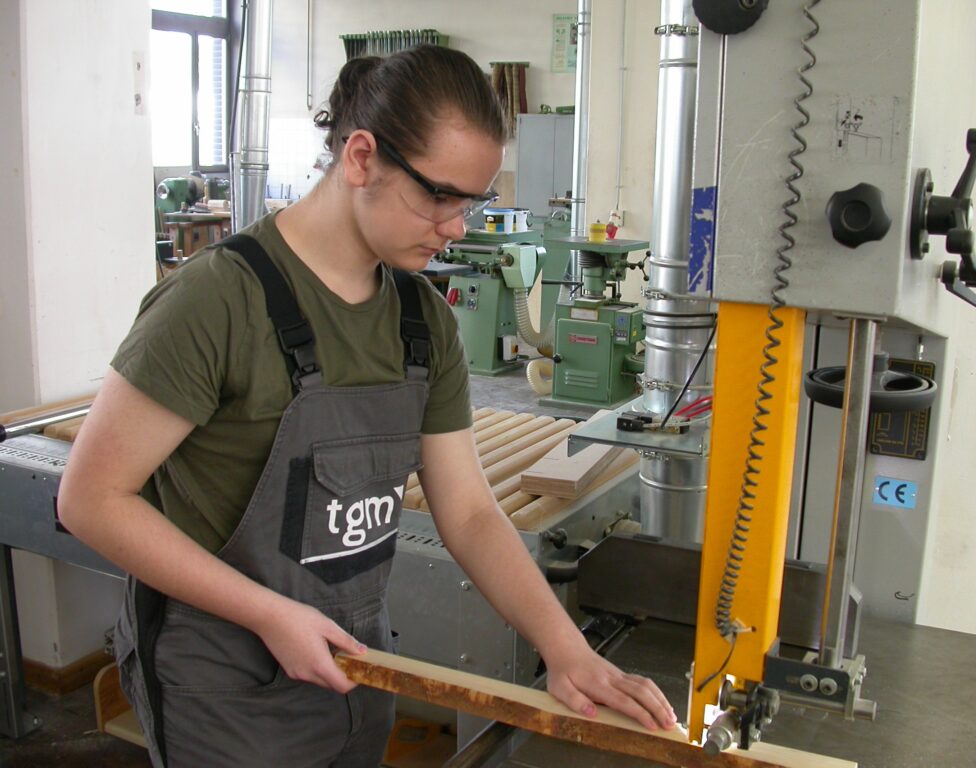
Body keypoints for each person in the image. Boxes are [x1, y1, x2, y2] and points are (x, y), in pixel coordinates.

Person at [58, 45, 676, 767]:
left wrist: (567, 650)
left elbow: (470, 513)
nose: (457, 227)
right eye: (440, 196)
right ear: (360, 159)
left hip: (356, 668)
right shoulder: (216, 302)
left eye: (471, 204)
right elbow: (92, 499)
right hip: (227, 688)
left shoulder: (422, 321)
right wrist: (270, 613)